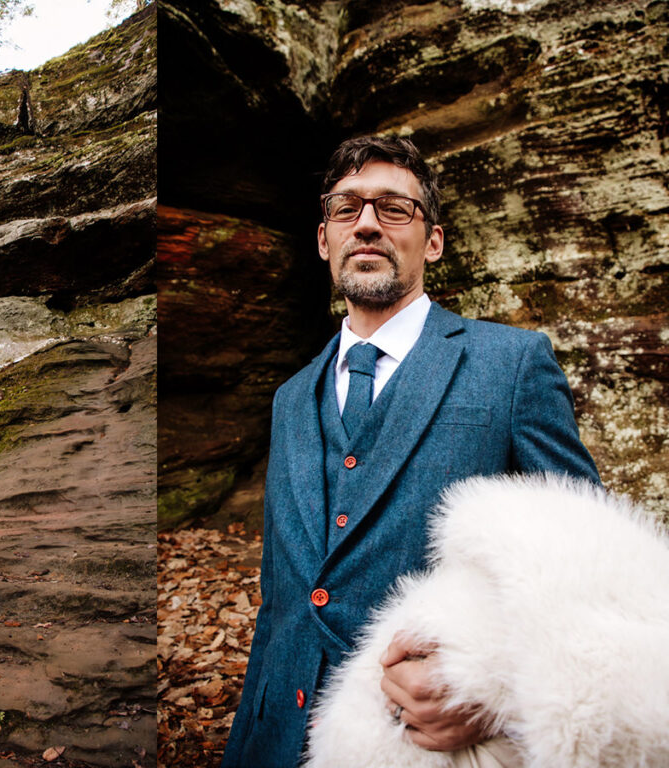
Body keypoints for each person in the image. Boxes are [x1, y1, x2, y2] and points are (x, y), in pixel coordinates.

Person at [221, 136, 600, 768]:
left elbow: (590, 567)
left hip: (423, 746)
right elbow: (284, 602)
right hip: (276, 738)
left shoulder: (512, 364)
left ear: (434, 241)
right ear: (324, 239)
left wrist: (497, 694)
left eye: (394, 208)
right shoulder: (290, 398)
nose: (366, 223)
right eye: (346, 209)